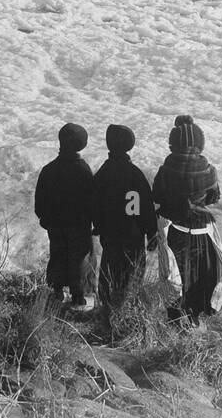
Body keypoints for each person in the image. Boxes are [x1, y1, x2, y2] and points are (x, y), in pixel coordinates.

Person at [151, 115, 222, 322]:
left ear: (173, 143)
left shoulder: (166, 170)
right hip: (202, 230)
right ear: (200, 143)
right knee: (200, 277)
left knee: (175, 278)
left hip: (174, 229)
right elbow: (214, 197)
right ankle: (194, 320)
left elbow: (156, 196)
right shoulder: (209, 170)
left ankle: (175, 320)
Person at [91, 124, 157, 313]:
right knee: (133, 273)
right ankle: (127, 308)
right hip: (134, 234)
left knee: (109, 270)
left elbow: (94, 204)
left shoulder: (103, 174)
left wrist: (98, 226)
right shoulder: (136, 174)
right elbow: (146, 207)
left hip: (111, 234)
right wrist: (152, 232)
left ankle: (107, 307)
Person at [34, 122, 95, 308]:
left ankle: (56, 291)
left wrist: (46, 220)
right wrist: (91, 221)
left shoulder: (48, 169)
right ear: (82, 145)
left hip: (55, 225)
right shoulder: (84, 170)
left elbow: (40, 203)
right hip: (79, 225)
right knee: (80, 259)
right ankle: (79, 297)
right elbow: (91, 201)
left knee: (58, 254)